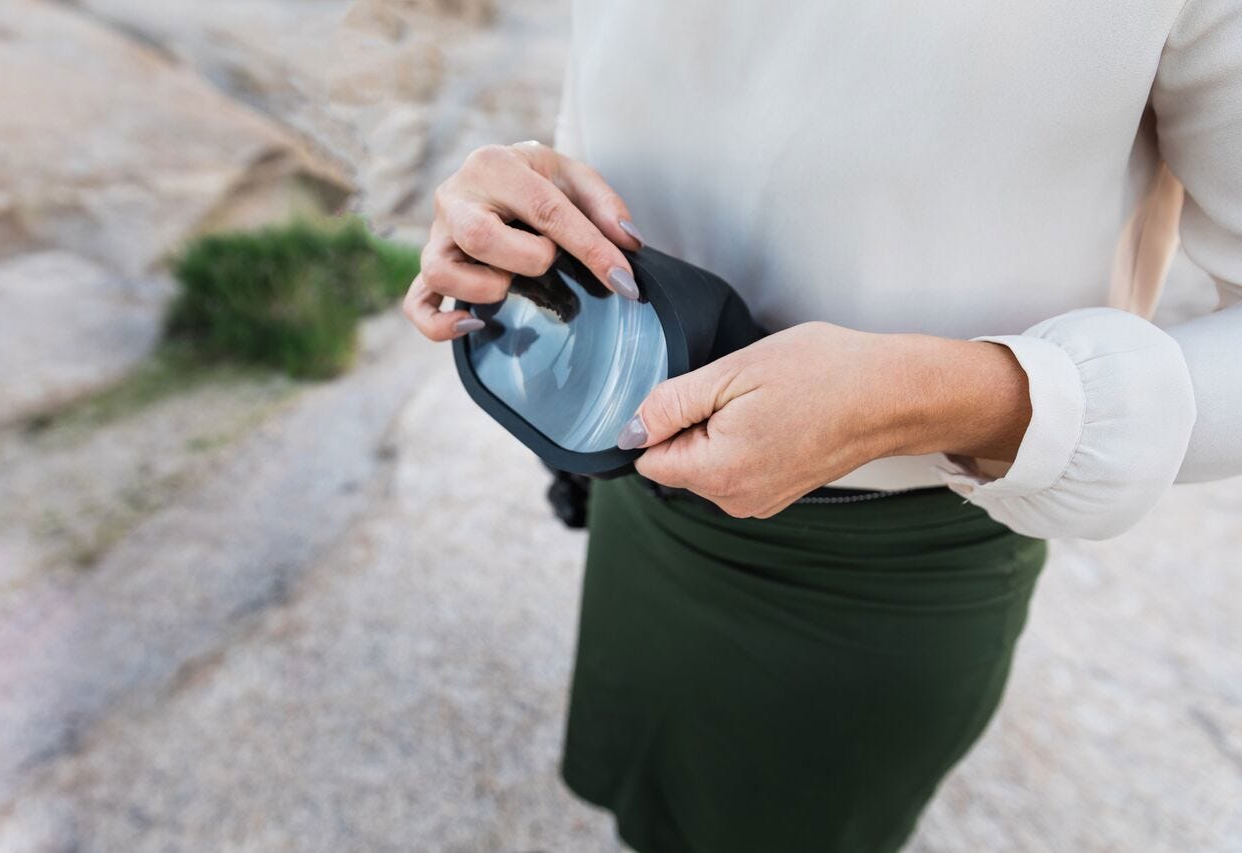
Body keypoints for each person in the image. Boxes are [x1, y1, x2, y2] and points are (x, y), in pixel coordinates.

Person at [402, 4, 1242, 851]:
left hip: (874, 575)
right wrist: (527, 203)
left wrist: (928, 398)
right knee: (653, 804)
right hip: (634, 487)